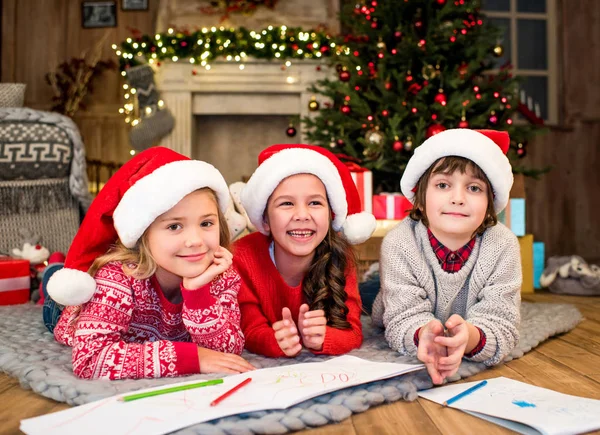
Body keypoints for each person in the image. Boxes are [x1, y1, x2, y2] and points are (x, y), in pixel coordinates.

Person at [45, 147, 254, 380]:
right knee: (54, 299)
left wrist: (198, 295)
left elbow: (228, 352)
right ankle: (53, 269)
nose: (195, 241)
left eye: (206, 223)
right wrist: (192, 358)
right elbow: (90, 360)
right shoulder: (116, 279)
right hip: (75, 312)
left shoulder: (221, 274)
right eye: (174, 226)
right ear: (144, 235)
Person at [371, 129, 522, 384]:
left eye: (474, 188)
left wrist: (471, 337)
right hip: (399, 294)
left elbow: (502, 321)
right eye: (443, 185)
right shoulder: (400, 242)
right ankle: (374, 279)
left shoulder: (503, 245)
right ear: (419, 199)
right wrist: (423, 335)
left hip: (468, 313)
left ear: (489, 203)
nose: (458, 198)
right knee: (371, 295)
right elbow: (401, 319)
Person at [233, 144, 377, 358]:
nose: (302, 214)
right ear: (265, 220)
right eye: (287, 203)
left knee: (375, 290)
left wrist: (324, 338)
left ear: (331, 214)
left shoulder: (340, 256)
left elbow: (353, 332)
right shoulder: (242, 258)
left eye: (315, 203)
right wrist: (273, 340)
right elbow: (251, 329)